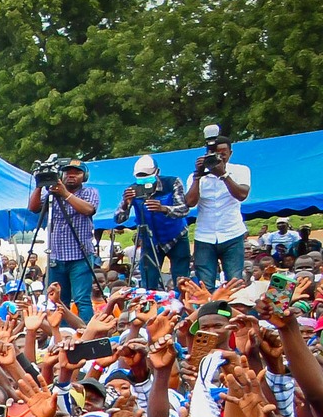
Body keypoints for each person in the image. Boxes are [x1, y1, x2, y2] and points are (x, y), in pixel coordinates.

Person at [27, 156, 99, 322]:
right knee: (58, 300)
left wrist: (65, 193)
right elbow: (33, 208)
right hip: (56, 257)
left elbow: (88, 210)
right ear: (61, 174)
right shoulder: (51, 193)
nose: (71, 176)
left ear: (84, 176)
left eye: (77, 173)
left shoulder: (90, 192)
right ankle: (63, 333)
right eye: (68, 173)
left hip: (80, 256)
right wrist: (40, 185)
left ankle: (86, 333)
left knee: (82, 300)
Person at [113, 154, 191, 292]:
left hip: (176, 237)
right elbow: (118, 219)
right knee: (148, 283)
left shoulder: (172, 183)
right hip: (150, 241)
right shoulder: (132, 190)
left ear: (157, 172)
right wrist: (126, 203)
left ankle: (184, 310)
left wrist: (163, 208)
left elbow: (184, 209)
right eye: (140, 177)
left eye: (147, 176)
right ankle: (151, 308)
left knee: (182, 281)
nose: (144, 181)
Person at [186, 129, 252, 285]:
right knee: (205, 283)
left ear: (231, 153)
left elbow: (242, 195)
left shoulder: (241, 170)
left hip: (232, 234)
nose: (220, 156)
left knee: (234, 281)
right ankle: (208, 309)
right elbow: (189, 202)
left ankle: (231, 308)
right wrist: (197, 176)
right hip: (205, 236)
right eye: (216, 152)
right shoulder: (197, 176)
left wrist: (223, 175)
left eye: (224, 152)